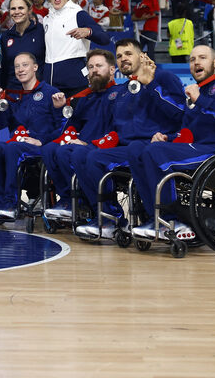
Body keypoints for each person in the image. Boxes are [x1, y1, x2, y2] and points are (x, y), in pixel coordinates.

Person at [131, 45, 215, 241]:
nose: (196, 62)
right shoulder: (195, 93)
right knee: (137, 150)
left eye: (202, 57)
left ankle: (171, 219)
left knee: (156, 152)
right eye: (192, 59)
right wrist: (168, 138)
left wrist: (201, 100)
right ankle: (153, 216)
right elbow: (187, 133)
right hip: (198, 148)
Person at [75, 40, 185, 238]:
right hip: (127, 148)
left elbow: (179, 113)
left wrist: (151, 84)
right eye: (119, 56)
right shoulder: (123, 90)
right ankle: (110, 218)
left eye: (128, 53)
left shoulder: (164, 78)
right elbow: (114, 127)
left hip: (155, 147)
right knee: (87, 155)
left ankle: (163, 219)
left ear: (142, 56)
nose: (123, 59)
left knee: (135, 149)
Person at [0, 53, 64, 220]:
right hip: (17, 145)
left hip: (41, 147)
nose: (20, 70)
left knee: (12, 147)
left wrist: (42, 140)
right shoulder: (14, 97)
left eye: (24, 65)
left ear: (35, 67)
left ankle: (11, 203)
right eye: (17, 66)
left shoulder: (51, 93)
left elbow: (63, 127)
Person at [41, 49, 118, 221]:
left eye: (99, 66)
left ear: (112, 70)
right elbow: (71, 127)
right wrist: (65, 137)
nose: (94, 70)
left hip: (102, 147)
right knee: (49, 149)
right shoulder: (83, 98)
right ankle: (69, 200)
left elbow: (119, 130)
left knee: (67, 152)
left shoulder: (120, 94)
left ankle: (83, 202)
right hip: (80, 146)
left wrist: (91, 145)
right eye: (90, 67)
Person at [40, 0, 112, 95]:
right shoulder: (47, 19)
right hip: (50, 86)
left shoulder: (78, 14)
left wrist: (88, 31)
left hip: (74, 84)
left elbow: (105, 38)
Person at [0, 0, 45, 89]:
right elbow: (5, 68)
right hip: (12, 92)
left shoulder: (41, 31)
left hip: (38, 91)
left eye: (21, 8)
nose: (17, 12)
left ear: (29, 10)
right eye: (13, 9)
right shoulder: (5, 36)